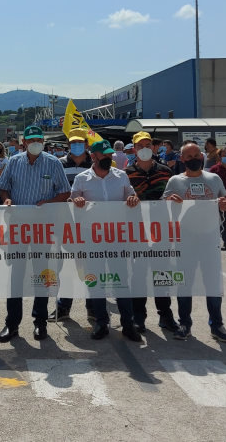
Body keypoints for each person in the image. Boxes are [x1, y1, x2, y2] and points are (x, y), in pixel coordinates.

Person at [0, 125, 71, 343]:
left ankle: (40, 322)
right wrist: (6, 199)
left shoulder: (53, 163)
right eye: (32, 140)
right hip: (17, 229)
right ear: (24, 143)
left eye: (39, 139)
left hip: (42, 230)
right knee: (15, 277)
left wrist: (49, 202)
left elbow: (64, 192)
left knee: (42, 276)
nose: (35, 142)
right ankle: (12, 324)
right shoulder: (14, 162)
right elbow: (3, 186)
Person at [69, 140, 143, 342]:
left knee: (122, 281)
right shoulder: (82, 178)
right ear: (93, 156)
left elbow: (131, 195)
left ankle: (128, 324)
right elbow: (72, 200)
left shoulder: (121, 176)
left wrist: (133, 199)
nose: (109, 158)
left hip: (117, 238)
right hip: (92, 239)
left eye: (110, 155)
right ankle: (101, 322)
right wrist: (76, 201)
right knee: (96, 281)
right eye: (104, 155)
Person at [162, 141, 226, 343]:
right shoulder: (174, 181)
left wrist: (225, 203)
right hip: (185, 240)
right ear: (182, 159)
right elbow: (162, 207)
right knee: (185, 283)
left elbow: (225, 201)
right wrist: (169, 203)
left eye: (196, 155)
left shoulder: (214, 178)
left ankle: (217, 324)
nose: (194, 159)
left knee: (213, 283)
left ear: (202, 156)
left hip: (210, 239)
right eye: (189, 157)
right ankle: (184, 323)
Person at [123, 131, 180, 333]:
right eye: (140, 146)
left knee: (161, 274)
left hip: (161, 231)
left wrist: (174, 199)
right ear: (134, 149)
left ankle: (165, 316)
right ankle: (138, 317)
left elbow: (176, 195)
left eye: (148, 145)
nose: (144, 148)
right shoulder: (126, 174)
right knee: (138, 275)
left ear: (154, 148)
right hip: (137, 232)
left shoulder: (166, 171)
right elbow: (120, 202)